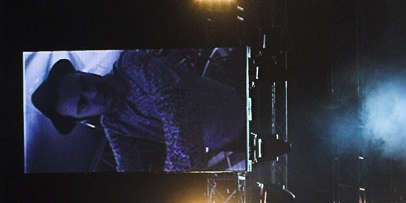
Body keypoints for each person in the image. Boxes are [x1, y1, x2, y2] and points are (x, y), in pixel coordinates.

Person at [28, 51, 245, 172]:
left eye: (83, 83)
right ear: (81, 119)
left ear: (83, 73)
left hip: (244, 105)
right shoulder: (113, 126)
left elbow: (174, 104)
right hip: (229, 143)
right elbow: (127, 166)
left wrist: (175, 179)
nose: (93, 92)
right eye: (83, 104)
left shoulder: (130, 64)